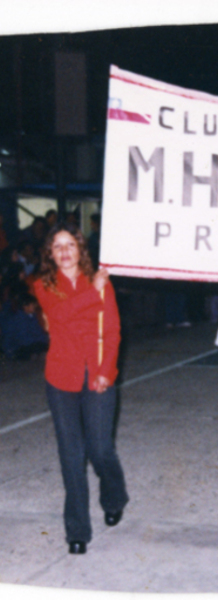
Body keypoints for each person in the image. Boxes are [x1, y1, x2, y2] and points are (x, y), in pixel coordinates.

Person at [33, 222, 128, 555]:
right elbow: (59, 315)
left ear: (80, 249)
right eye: (57, 247)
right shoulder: (44, 285)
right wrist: (93, 291)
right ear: (50, 254)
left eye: (70, 245)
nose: (64, 252)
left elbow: (113, 331)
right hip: (61, 379)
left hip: (97, 375)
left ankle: (114, 497)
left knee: (101, 449)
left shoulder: (100, 282)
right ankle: (77, 530)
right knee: (71, 456)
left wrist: (107, 371)